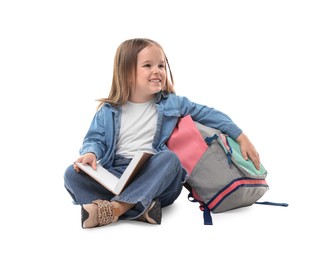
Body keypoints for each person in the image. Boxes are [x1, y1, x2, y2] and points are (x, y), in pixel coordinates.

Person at [63, 38, 261, 229]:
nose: (157, 71)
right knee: (72, 174)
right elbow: (94, 139)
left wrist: (240, 136)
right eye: (148, 65)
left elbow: (208, 114)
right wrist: (91, 154)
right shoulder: (108, 110)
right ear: (126, 72)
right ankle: (141, 210)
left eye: (161, 65)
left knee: (170, 159)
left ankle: (117, 208)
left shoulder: (172, 103)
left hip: (155, 173)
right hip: (117, 172)